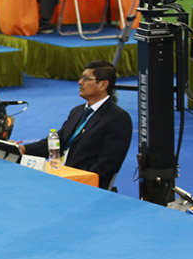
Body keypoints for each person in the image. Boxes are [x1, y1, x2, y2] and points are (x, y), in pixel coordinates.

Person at [19, 61, 131, 189]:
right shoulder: (77, 111)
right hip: (62, 176)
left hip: (83, 185)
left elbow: (107, 164)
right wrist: (23, 149)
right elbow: (57, 142)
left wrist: (77, 179)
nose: (80, 82)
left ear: (103, 85)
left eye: (86, 78)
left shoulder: (117, 118)